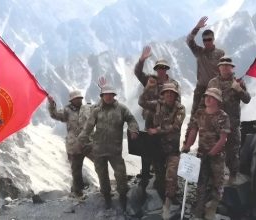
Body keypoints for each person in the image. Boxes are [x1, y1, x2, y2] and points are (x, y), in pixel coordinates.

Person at [78, 84, 139, 210]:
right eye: (106, 94)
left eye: (111, 94)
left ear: (114, 95)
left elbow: (131, 119)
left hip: (115, 150)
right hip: (99, 149)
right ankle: (107, 197)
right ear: (102, 96)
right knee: (102, 175)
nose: (108, 97)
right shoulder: (96, 110)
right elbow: (88, 127)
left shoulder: (121, 109)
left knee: (121, 174)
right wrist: (81, 140)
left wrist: (134, 130)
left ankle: (123, 196)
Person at [182, 88, 230, 220]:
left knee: (217, 182)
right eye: (206, 96)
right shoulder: (200, 113)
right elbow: (193, 131)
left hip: (217, 156)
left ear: (218, 100)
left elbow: (223, 138)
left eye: (212, 97)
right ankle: (199, 209)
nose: (208, 99)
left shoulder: (223, 116)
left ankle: (212, 209)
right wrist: (187, 146)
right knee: (201, 183)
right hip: (201, 154)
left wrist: (211, 154)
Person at [138, 83, 185, 219]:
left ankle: (169, 202)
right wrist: (148, 88)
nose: (169, 95)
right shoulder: (157, 104)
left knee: (171, 175)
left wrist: (157, 130)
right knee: (159, 177)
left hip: (172, 150)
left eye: (172, 93)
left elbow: (175, 127)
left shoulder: (180, 108)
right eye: (167, 93)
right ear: (163, 94)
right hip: (157, 148)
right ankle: (161, 196)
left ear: (176, 95)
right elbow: (141, 102)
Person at [134, 45, 180, 182]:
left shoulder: (173, 84)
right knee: (148, 142)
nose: (161, 70)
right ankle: (147, 171)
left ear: (166, 69)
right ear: (156, 69)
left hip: (166, 118)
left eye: (163, 68)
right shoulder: (150, 79)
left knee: (166, 143)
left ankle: (166, 170)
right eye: (159, 68)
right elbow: (137, 73)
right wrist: (141, 60)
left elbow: (178, 102)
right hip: (150, 116)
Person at [207, 56, 251, 185]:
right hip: (216, 124)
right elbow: (207, 101)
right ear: (219, 67)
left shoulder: (238, 82)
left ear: (232, 68)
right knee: (214, 150)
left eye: (228, 65)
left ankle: (232, 175)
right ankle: (214, 177)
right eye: (223, 65)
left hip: (233, 124)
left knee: (233, 151)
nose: (225, 67)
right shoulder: (212, 83)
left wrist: (239, 89)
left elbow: (247, 99)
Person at [47, 90, 92, 198]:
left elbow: (99, 109)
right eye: (76, 98)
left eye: (80, 98)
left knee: (100, 163)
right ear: (72, 100)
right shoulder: (66, 111)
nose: (79, 100)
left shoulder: (87, 108)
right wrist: (52, 104)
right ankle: (78, 193)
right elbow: (54, 115)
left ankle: (104, 188)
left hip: (88, 143)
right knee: (76, 171)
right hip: (74, 146)